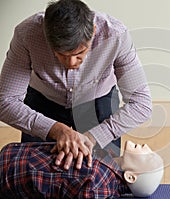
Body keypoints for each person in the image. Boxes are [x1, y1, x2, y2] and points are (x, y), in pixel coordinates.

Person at [0, 0, 152, 170]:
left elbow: (141, 103)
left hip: (96, 103)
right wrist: (56, 130)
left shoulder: (115, 35)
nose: (71, 62)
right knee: (34, 175)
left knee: (102, 176)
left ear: (93, 32)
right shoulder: (27, 34)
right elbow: (5, 101)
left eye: (79, 53)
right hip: (43, 103)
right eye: (61, 54)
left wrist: (93, 136)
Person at [0, 140, 164, 199]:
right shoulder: (108, 158)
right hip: (14, 154)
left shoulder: (97, 184)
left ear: (130, 177)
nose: (146, 146)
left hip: (9, 173)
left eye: (148, 156)